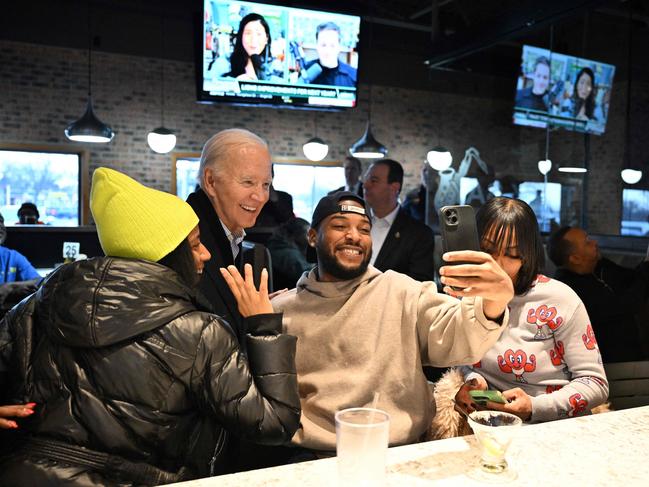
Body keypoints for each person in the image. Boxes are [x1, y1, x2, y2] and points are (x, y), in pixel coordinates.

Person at [0, 167, 300, 484]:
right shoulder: (199, 332)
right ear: (168, 253)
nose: (206, 254)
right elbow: (274, 423)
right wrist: (262, 325)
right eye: (196, 244)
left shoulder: (33, 308)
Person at [270, 190, 514, 455]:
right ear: (313, 236)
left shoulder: (400, 291)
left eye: (364, 229)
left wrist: (494, 302)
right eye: (340, 226)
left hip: (399, 451)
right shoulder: (282, 310)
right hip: (311, 457)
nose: (353, 235)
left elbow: (459, 335)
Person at [429, 198, 609, 439]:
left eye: (512, 254)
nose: (497, 264)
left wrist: (534, 407)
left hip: (555, 431)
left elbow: (595, 383)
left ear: (528, 255)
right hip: (487, 428)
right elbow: (466, 359)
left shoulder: (559, 299)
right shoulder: (471, 295)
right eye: (487, 250)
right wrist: (473, 380)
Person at [187, 128, 272, 343]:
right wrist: (259, 320)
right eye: (248, 182)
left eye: (266, 184)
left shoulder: (232, 237)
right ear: (211, 181)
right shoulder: (186, 243)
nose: (260, 196)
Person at [548, 226, 648, 363]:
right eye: (587, 242)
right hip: (609, 365)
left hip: (635, 351)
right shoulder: (570, 291)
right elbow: (627, 305)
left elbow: (632, 277)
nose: (595, 242)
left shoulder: (599, 265)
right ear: (575, 258)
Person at [363, 159, 436, 282]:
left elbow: (420, 283)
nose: (365, 185)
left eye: (374, 181)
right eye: (366, 179)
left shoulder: (419, 234)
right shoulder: (356, 224)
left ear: (394, 188)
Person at [0, 212, 41, 315]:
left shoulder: (11, 256)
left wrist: (10, 287)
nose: (0, 226)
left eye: (1, 222)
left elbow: (39, 281)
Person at [303, 22, 357, 87]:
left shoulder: (353, 75)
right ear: (317, 46)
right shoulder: (306, 71)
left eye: (332, 45)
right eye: (323, 45)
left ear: (339, 47)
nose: (327, 51)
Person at [266, 217, 312, 290]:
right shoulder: (284, 252)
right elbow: (307, 273)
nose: (310, 238)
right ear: (297, 234)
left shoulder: (281, 245)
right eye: (307, 234)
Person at [225, 13, 273, 81]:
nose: (253, 40)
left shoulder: (275, 67)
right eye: (248, 33)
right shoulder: (224, 64)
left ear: (266, 39)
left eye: (258, 34)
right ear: (241, 36)